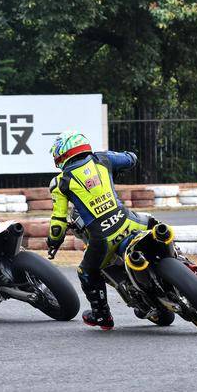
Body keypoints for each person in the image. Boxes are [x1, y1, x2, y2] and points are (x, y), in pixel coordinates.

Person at [46, 130, 150, 330]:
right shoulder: (103, 159)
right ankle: (184, 262)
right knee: (154, 225)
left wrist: (53, 242)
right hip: (131, 222)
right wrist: (121, 164)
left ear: (63, 153)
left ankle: (102, 315)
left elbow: (58, 221)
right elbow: (131, 159)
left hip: (103, 239)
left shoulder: (60, 182)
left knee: (85, 272)